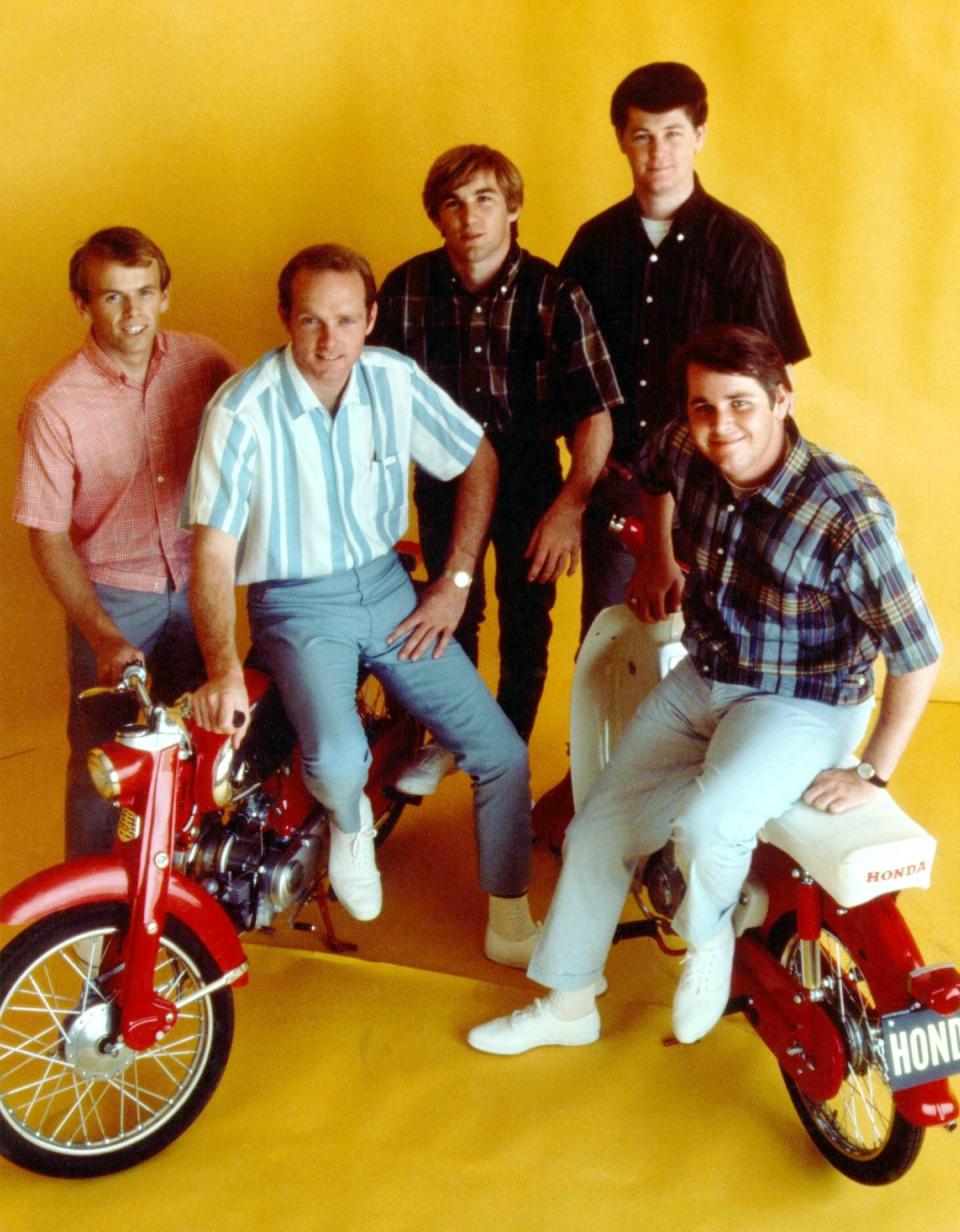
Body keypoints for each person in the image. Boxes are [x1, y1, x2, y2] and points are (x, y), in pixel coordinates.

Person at [467, 325, 941, 1054]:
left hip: (803, 702)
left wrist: (874, 770)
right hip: (707, 674)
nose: (722, 428)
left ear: (783, 400)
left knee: (707, 825)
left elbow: (920, 655)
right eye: (703, 408)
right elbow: (652, 472)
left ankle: (709, 940)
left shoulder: (847, 511)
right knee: (596, 827)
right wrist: (658, 553)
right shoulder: (685, 447)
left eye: (742, 405)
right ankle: (568, 1004)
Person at [185, 243, 539, 965]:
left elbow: (479, 458)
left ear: (371, 317)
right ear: (285, 317)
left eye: (347, 320)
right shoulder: (242, 410)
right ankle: (350, 827)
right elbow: (213, 556)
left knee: (501, 751)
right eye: (311, 320)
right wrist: (222, 667)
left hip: (387, 588)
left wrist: (457, 578)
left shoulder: (392, 379)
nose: (329, 342)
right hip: (297, 605)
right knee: (339, 760)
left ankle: (511, 907)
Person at [535, 61, 811, 839]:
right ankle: (595, 786)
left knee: (716, 642)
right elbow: (568, 372)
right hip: (620, 481)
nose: (657, 153)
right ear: (621, 141)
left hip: (717, 492)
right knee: (610, 639)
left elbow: (771, 393)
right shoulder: (593, 245)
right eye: (641, 137)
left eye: (673, 136)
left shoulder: (743, 249)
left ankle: (706, 798)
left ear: (700, 136)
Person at [374, 145, 619, 796]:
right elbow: (370, 398)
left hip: (535, 477)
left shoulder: (556, 295)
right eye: (452, 203)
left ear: (512, 207)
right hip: (440, 478)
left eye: (484, 199)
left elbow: (595, 414)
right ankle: (452, 739)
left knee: (525, 620)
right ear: (436, 217)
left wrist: (570, 505)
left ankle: (504, 752)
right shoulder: (405, 290)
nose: (469, 217)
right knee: (452, 608)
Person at [14, 226, 236, 858]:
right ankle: (83, 916)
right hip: (114, 599)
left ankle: (189, 898)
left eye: (145, 292)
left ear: (165, 294)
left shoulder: (206, 362)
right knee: (101, 765)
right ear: (83, 305)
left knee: (202, 748)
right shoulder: (54, 405)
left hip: (201, 588)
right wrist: (103, 634)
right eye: (113, 297)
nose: (133, 312)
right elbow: (48, 538)